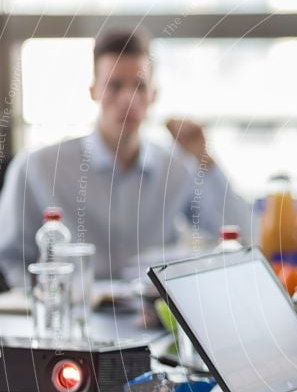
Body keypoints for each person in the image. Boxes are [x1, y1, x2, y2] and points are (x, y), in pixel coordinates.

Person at [0, 28, 254, 286]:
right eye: (114, 85)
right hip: (75, 314)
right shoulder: (38, 168)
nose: (127, 99)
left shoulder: (177, 168)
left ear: (153, 95)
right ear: (94, 91)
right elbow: (9, 260)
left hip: (154, 316)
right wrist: (52, 302)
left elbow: (244, 233)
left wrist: (204, 161)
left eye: (139, 87)